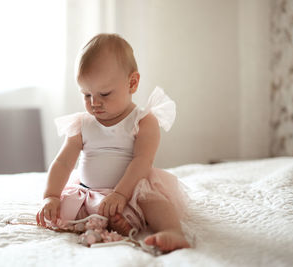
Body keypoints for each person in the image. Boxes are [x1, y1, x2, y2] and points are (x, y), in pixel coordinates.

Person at [36, 33, 190, 252]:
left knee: (155, 203)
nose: (94, 103)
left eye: (104, 94)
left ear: (132, 83)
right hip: (90, 192)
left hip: (131, 190)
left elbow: (142, 161)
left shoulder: (143, 121)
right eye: (86, 94)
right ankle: (113, 222)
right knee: (63, 208)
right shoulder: (81, 123)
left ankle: (174, 232)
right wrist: (50, 196)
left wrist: (120, 194)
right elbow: (63, 163)